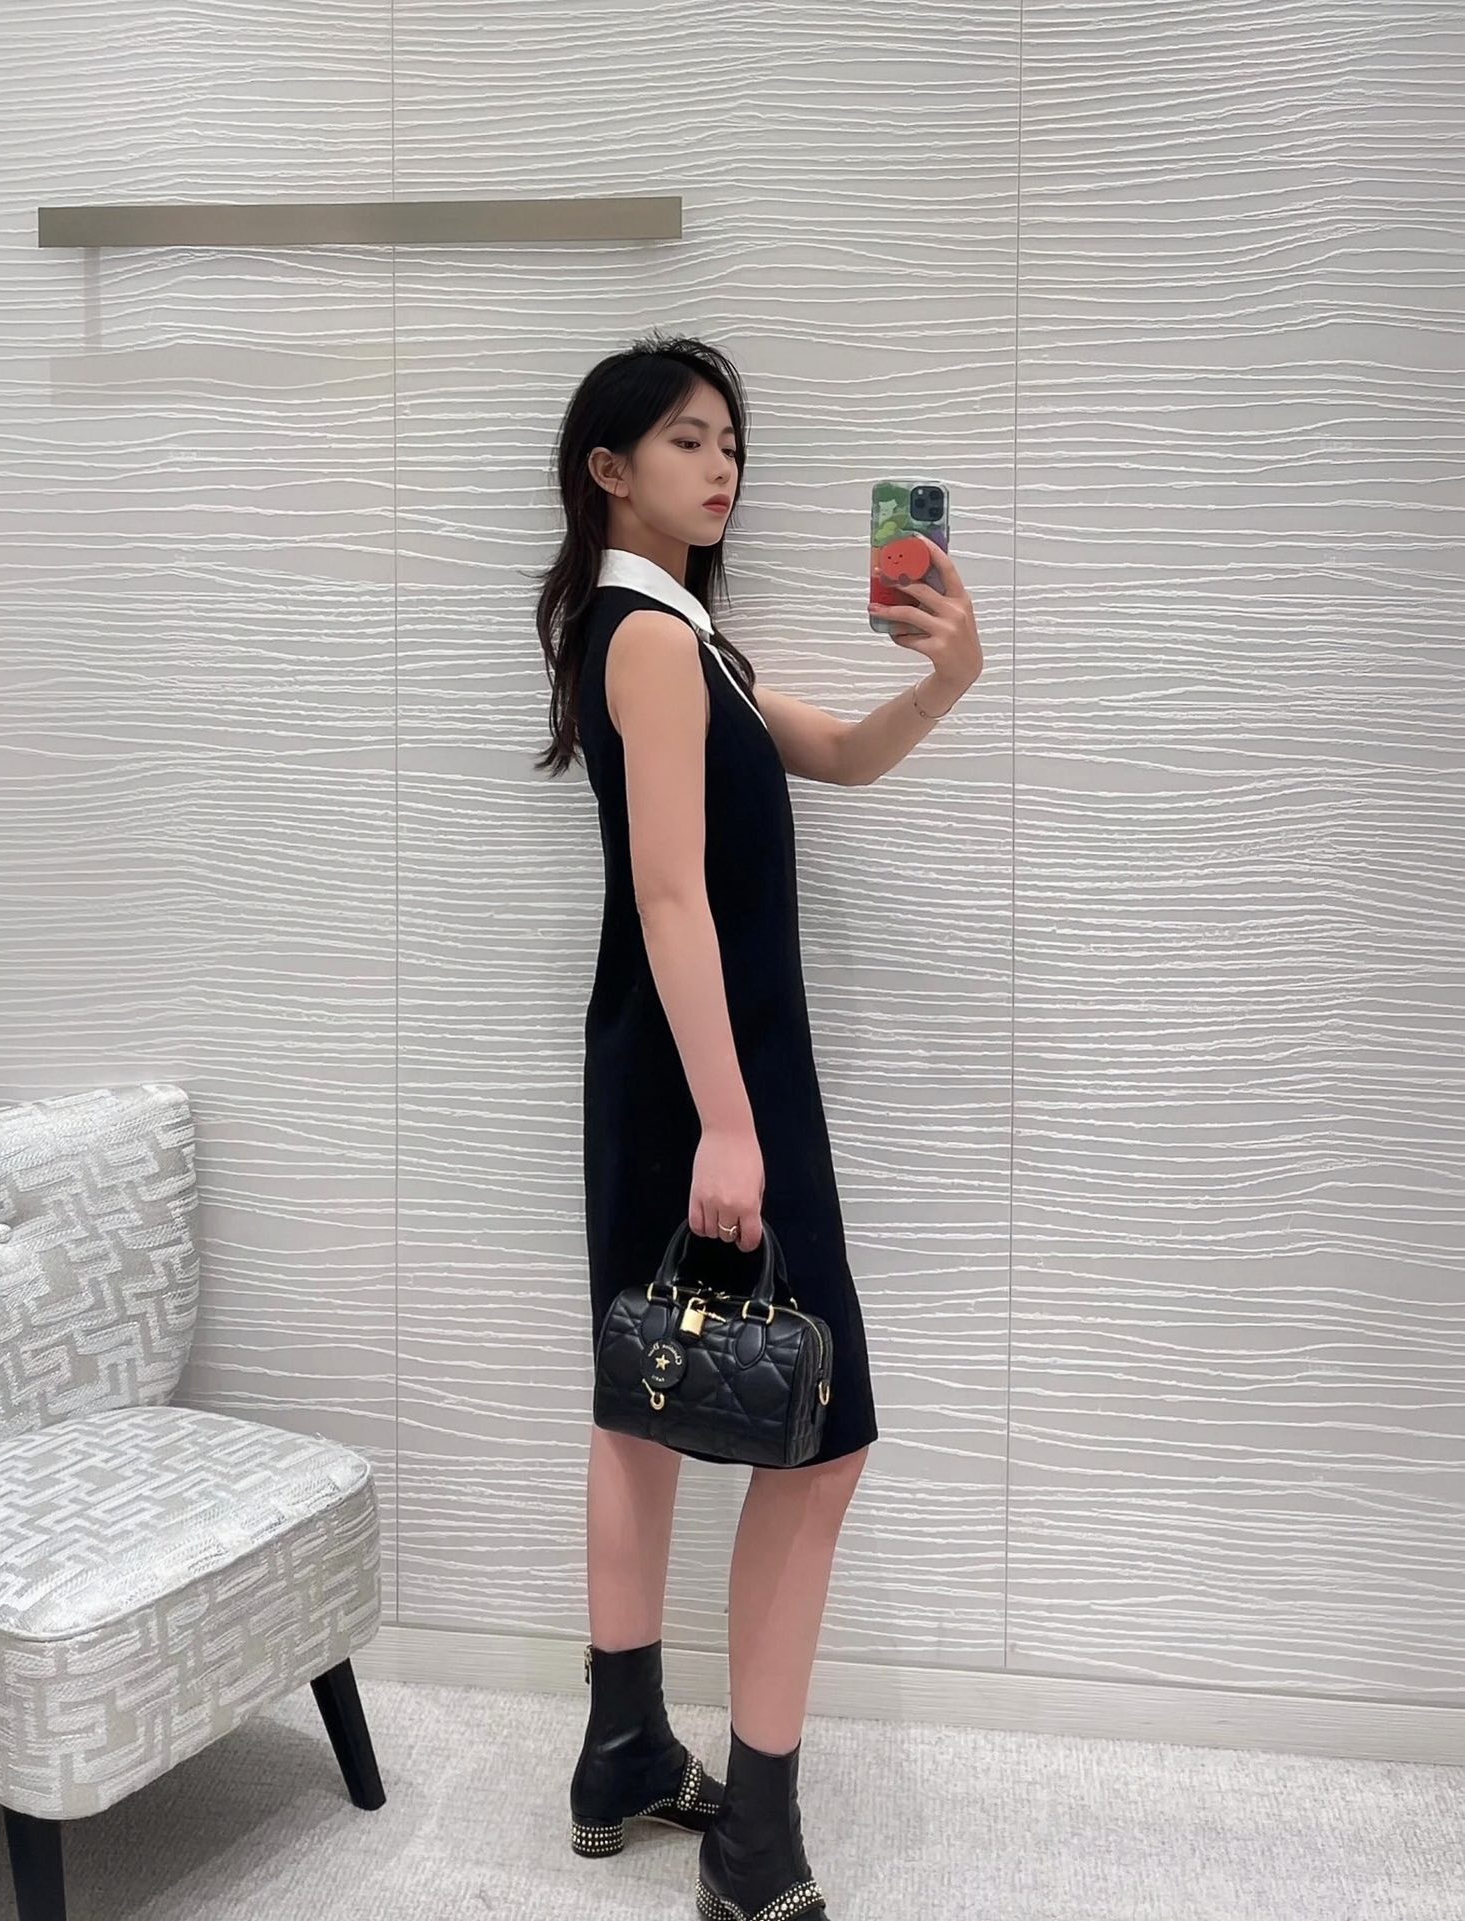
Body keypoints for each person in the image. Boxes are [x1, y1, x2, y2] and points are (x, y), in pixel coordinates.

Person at [530, 331, 981, 1920]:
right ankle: (752, 1837)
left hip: (668, 1064)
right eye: (685, 439)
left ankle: (623, 1751)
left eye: (730, 442)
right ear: (608, 469)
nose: (720, 466)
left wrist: (944, 677)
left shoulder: (678, 636)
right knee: (820, 1440)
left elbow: (841, 756)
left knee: (639, 1399)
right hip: (708, 1077)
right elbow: (669, 893)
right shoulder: (650, 639)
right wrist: (731, 1123)